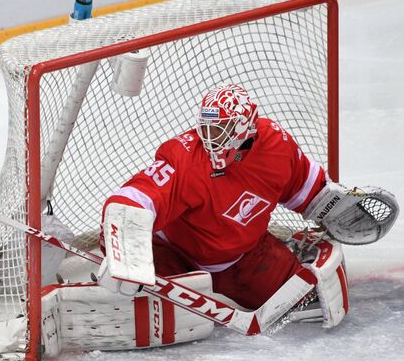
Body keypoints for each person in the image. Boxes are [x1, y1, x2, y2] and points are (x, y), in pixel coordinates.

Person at [96, 84, 360, 329]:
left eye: (219, 129)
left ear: (244, 127)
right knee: (147, 310)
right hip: (174, 256)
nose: (209, 138)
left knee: (304, 299)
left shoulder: (276, 145)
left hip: (245, 257)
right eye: (206, 128)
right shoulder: (186, 158)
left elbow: (305, 186)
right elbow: (135, 199)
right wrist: (125, 254)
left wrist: (335, 208)